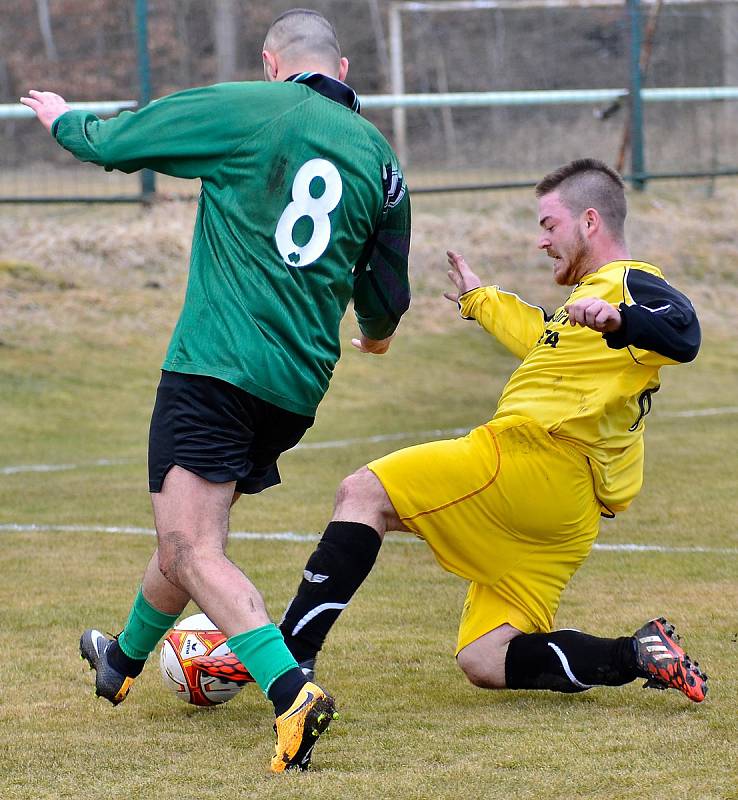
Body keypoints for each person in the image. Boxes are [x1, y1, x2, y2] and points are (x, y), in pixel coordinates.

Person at [21, 8, 410, 773]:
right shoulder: (382, 160)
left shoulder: (253, 107)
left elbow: (121, 143)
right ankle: (121, 662)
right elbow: (387, 297)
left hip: (215, 369)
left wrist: (69, 123)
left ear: (273, 64)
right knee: (186, 535)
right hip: (295, 389)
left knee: (192, 545)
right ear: (345, 71)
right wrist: (374, 332)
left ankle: (291, 691)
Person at [196, 158, 708, 706]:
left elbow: (685, 331)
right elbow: (540, 337)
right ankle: (638, 654)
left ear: (589, 222)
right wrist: (478, 298)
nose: (542, 241)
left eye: (548, 225)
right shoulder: (581, 311)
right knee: (485, 658)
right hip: (568, 514)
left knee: (364, 492)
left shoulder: (629, 283)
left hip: (533, 459)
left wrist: (620, 319)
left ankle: (293, 652)